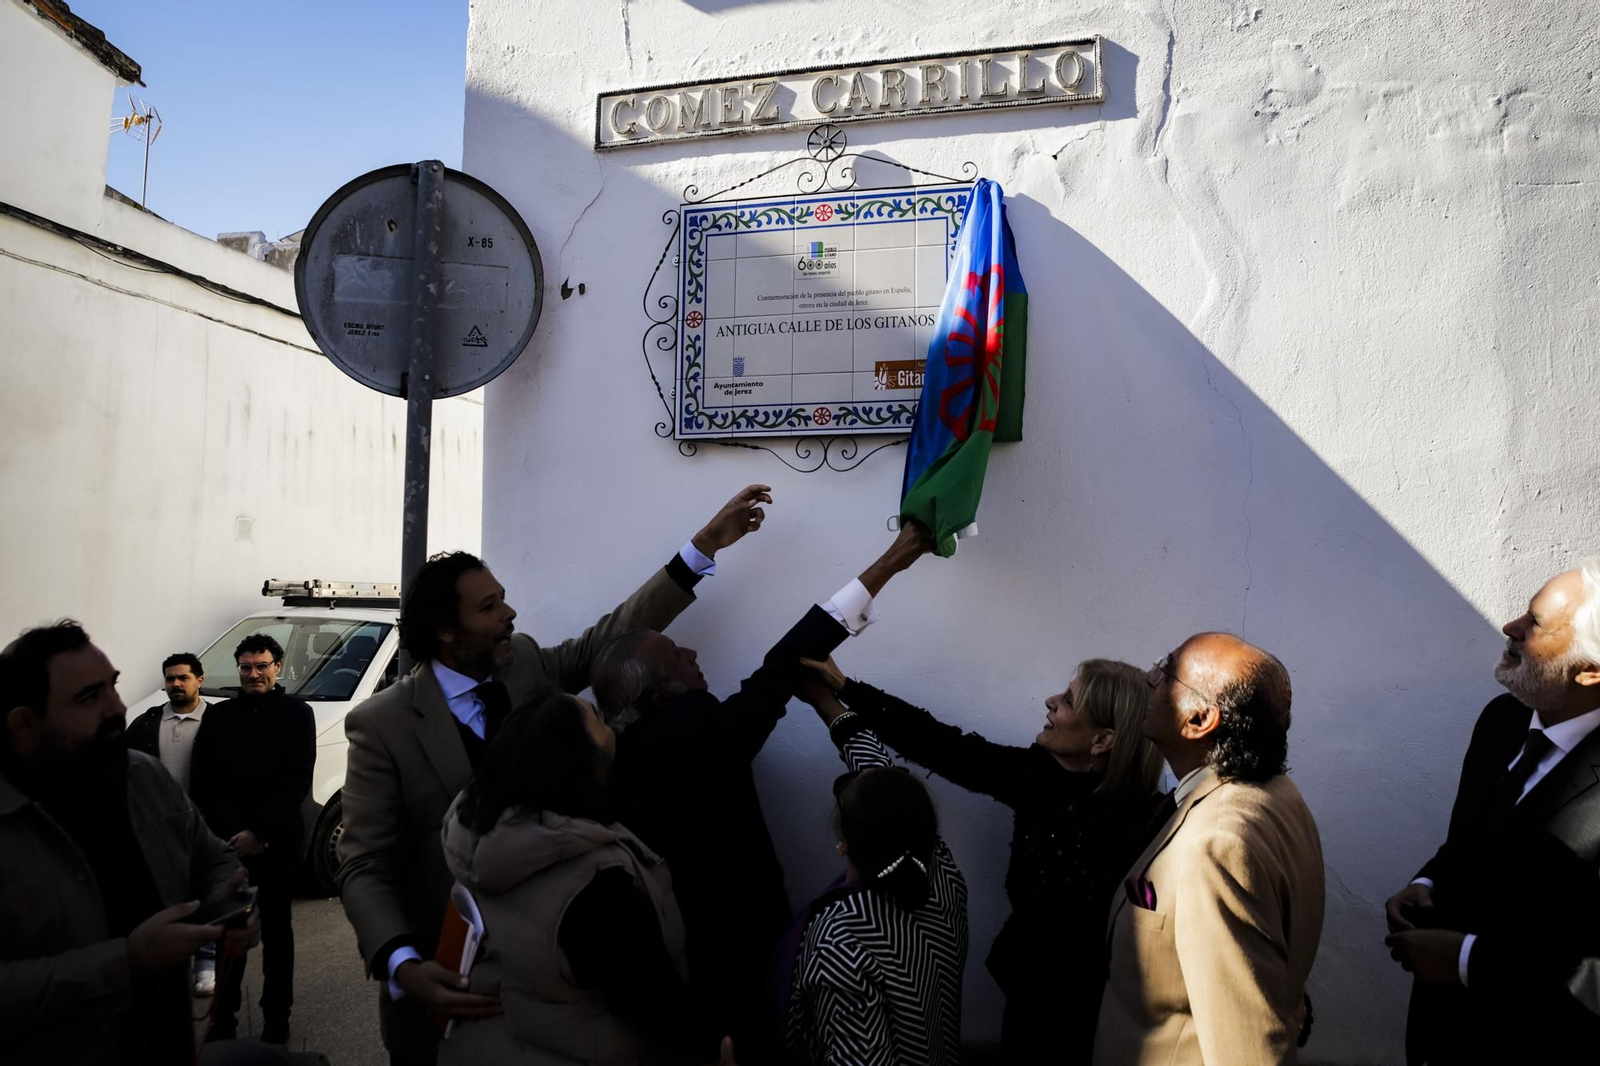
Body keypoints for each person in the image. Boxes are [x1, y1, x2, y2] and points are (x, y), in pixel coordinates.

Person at [338, 485, 771, 1066]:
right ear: (445, 631)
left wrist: (702, 548)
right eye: (489, 608)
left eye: (503, 599)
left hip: (565, 989)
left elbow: (607, 639)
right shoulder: (382, 724)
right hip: (453, 993)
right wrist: (401, 963)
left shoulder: (522, 663)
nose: (509, 615)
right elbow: (364, 863)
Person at [591, 521, 932, 1055]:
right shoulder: (692, 728)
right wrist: (890, 562)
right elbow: (783, 664)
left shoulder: (613, 760)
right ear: (659, 695)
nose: (692, 654)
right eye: (676, 654)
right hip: (743, 966)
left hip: (676, 980)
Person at [797, 654, 1165, 1064]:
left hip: (1095, 1015)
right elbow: (940, 744)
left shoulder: (1151, 822)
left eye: (1068, 701)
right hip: (1027, 1000)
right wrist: (844, 687)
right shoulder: (1036, 776)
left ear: (1102, 740)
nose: (1050, 701)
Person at [0, 621, 258, 1065]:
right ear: (25, 723)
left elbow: (211, 856)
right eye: (88, 697)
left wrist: (228, 903)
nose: (117, 708)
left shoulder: (144, 776)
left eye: (113, 687)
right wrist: (125, 961)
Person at [440, 688, 737, 1065]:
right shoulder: (595, 889)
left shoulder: (485, 838)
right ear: (580, 762)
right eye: (597, 718)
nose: (610, 726)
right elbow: (658, 1007)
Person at [1385, 563, 1600, 1063]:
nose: (1510, 627)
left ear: (1591, 670)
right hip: (1439, 1037)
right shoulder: (1502, 719)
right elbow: (1471, 841)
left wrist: (1468, 960)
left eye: (1536, 623)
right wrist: (1429, 882)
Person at [1095, 633, 1325, 1066]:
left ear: (1199, 719)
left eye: (1167, 670)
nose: (1149, 677)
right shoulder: (1276, 793)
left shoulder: (1219, 844)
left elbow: (1249, 1051)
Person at [781, 683, 969, 1066]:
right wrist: (823, 699)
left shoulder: (841, 940)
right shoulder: (942, 875)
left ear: (843, 844)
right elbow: (880, 774)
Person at [190, 633, 316, 1045]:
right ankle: (222, 1022)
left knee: (278, 934)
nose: (253, 674)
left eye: (262, 666)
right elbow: (204, 781)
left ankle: (277, 1020)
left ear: (278, 667)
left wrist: (260, 833)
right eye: (246, 667)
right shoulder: (219, 716)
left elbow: (296, 782)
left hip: (277, 844)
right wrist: (232, 837)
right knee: (230, 933)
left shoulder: (299, 715)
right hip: (229, 847)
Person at [126, 650, 221, 996]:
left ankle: (206, 964)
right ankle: (166, 967)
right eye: (170, 678)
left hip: (205, 824)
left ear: (199, 680)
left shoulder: (219, 721)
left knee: (205, 894)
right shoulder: (146, 723)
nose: (176, 684)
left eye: (183, 677)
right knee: (163, 897)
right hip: (156, 828)